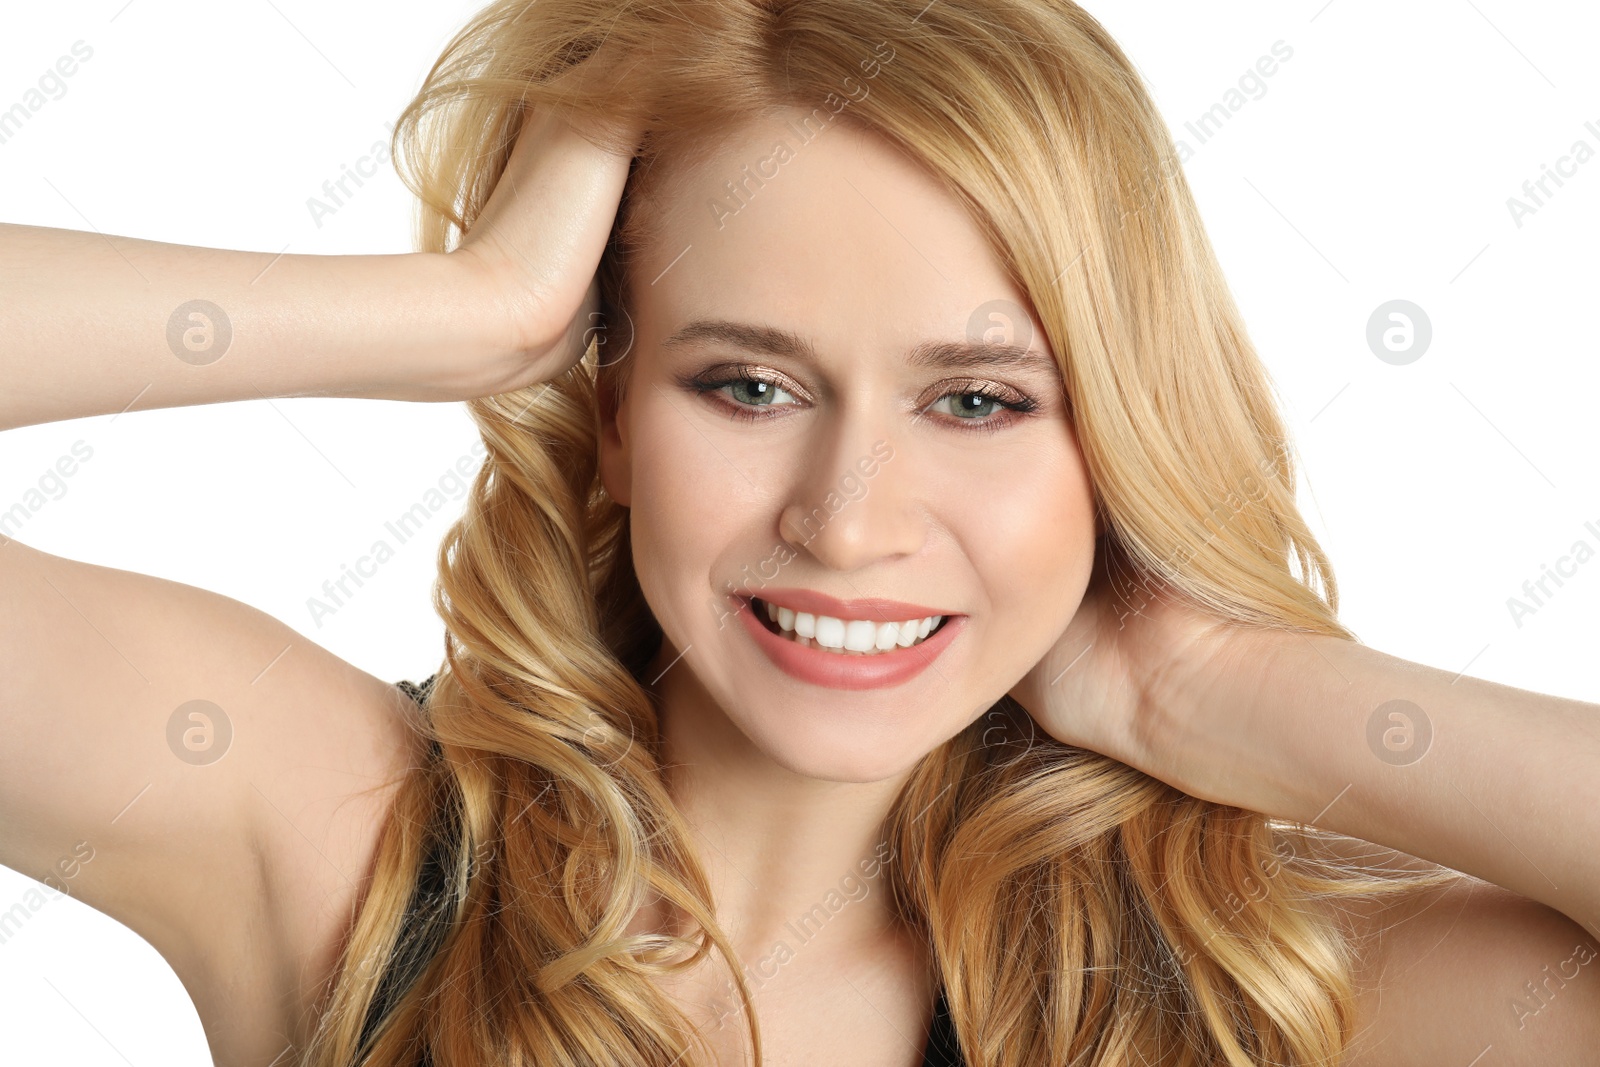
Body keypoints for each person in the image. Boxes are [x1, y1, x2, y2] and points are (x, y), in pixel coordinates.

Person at [2, 1, 1597, 1064]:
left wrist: (1213, 693)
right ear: (614, 408)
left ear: (1114, 430)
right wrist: (462, 310)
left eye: (976, 402)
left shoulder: (1259, 981)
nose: (846, 523)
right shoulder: (342, 838)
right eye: (748, 383)